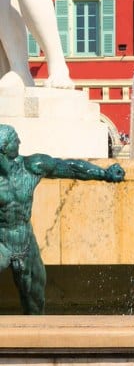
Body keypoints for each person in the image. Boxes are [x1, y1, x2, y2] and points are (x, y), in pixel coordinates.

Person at [0, 123, 124, 312]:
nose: (20, 141)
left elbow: (70, 167)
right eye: (15, 139)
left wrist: (104, 173)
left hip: (25, 240)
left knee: (35, 299)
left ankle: (35, 338)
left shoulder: (32, 166)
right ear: (4, 148)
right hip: (1, 240)